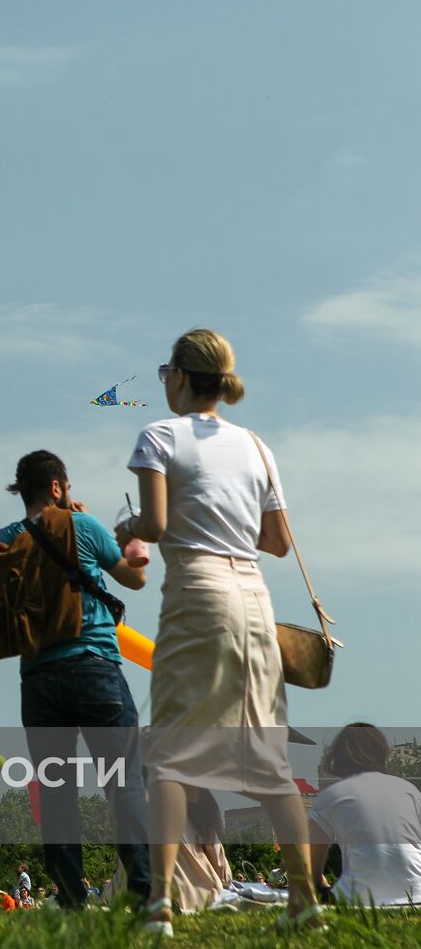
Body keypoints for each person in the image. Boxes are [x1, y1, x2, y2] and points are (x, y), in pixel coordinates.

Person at [119, 329, 323, 935]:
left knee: (170, 753)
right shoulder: (256, 446)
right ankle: (304, 899)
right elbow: (279, 542)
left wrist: (131, 520)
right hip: (254, 597)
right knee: (268, 756)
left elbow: (153, 525)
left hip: (198, 592)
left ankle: (159, 901)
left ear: (180, 376)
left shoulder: (159, 435)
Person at [0, 451, 151, 909]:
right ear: (58, 488)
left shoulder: (3, 542)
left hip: (39, 678)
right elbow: (134, 581)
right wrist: (134, 543)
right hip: (95, 665)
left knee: (57, 792)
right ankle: (143, 889)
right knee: (124, 782)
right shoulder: (85, 527)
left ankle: (70, 895)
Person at [308, 723, 421, 907]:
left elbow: (310, 867)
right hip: (417, 895)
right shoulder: (409, 789)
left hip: (356, 899)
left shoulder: (331, 795)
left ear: (337, 756)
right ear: (383, 753)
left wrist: (321, 887)